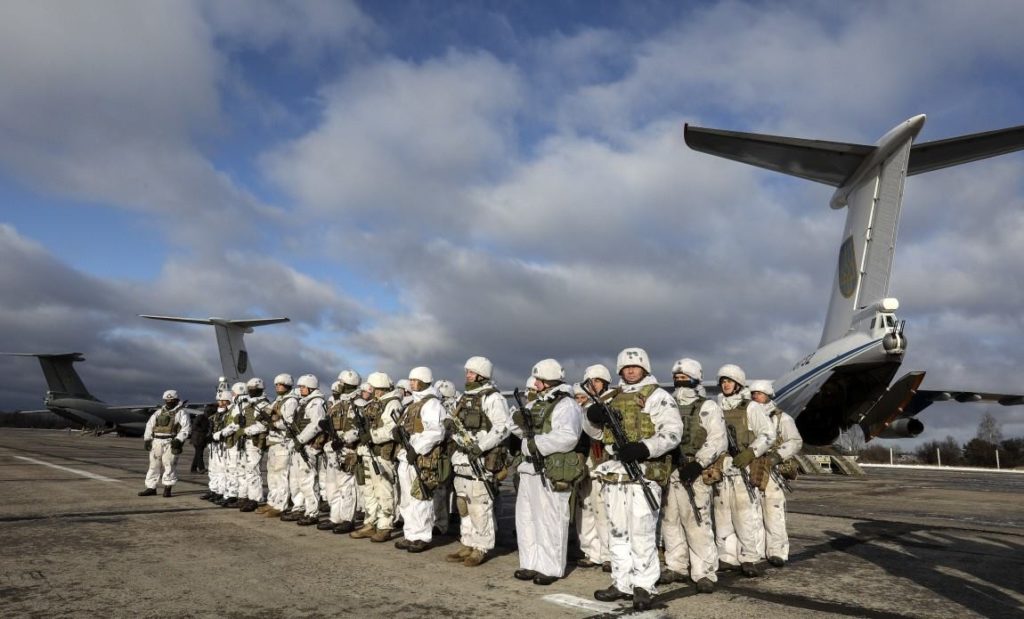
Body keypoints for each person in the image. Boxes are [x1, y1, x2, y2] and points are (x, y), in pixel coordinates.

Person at [583, 348, 682, 611]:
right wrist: (592, 417)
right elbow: (595, 432)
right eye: (626, 367)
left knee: (641, 532)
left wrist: (645, 448)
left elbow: (673, 433)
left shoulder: (658, 396)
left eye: (635, 366)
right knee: (617, 532)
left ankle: (644, 586)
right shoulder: (610, 397)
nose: (630, 370)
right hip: (615, 474)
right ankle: (621, 582)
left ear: (645, 368)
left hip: (644, 474)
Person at [511, 359, 583, 586]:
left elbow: (568, 436)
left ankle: (550, 567)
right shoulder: (538, 403)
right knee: (527, 519)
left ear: (548, 381)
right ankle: (530, 562)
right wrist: (517, 421)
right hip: (529, 469)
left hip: (550, 469)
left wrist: (537, 443)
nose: (536, 383)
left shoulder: (566, 405)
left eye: (539, 380)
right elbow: (518, 428)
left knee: (550, 519)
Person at [659, 358, 726, 593]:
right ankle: (676, 565)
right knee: (670, 521)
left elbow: (717, 439)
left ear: (695, 378)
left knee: (698, 521)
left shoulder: (707, 406)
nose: (680, 381)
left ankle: (704, 571)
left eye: (684, 377)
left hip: (693, 472)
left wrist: (698, 464)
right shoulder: (666, 405)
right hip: (670, 469)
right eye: (676, 377)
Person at [444, 356, 511, 567]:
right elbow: (455, 425)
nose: (467, 375)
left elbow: (502, 427)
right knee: (463, 504)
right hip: (462, 459)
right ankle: (468, 542)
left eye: (471, 372)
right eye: (467, 372)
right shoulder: (463, 398)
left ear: (482, 374)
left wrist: (480, 446)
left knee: (480, 506)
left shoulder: (492, 398)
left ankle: (481, 547)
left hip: (480, 461)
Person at [712, 364, 774, 577]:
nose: (725, 384)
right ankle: (726, 557)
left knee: (744, 515)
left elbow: (767, 434)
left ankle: (749, 557)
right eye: (723, 381)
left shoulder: (751, 408)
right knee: (721, 514)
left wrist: (750, 453)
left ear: (738, 384)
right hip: (722, 466)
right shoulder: (716, 406)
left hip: (743, 467)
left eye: (729, 381)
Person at [748, 379, 802, 568]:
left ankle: (777, 551)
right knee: (753, 511)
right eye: (753, 393)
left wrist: (777, 456)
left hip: (773, 470)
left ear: (769, 396)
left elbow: (795, 441)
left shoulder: (782, 418)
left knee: (773, 511)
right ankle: (756, 550)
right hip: (752, 467)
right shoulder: (748, 416)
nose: (755, 397)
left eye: (759, 394)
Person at [393, 367, 449, 553]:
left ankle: (422, 536)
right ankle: (410, 534)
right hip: (406, 458)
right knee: (407, 499)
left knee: (421, 498)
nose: (411, 383)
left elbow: (436, 432)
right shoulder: (412, 405)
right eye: (411, 380)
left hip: (422, 459)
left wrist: (416, 450)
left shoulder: (432, 404)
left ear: (424, 381)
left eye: (415, 380)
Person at [350, 372, 401, 543]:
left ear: (380, 388)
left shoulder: (392, 403)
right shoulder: (374, 404)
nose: (371, 390)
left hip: (382, 454)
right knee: (369, 492)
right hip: (367, 452)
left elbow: (391, 430)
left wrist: (371, 436)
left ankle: (385, 526)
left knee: (383, 490)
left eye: (374, 387)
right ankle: (370, 523)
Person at [575, 364, 613, 572]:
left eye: (597, 381)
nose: (593, 386)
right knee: (586, 511)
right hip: (585, 467)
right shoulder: (582, 408)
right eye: (590, 383)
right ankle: (591, 551)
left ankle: (608, 554)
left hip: (603, 466)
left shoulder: (609, 404)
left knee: (604, 513)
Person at [319, 370, 362, 534]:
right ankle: (334, 517)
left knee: (346, 487)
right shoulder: (338, 404)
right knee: (332, 487)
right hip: (333, 450)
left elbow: (358, 428)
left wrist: (342, 440)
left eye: (341, 382)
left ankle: (347, 519)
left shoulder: (358, 404)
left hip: (347, 450)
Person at [289, 374, 327, 526]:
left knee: (309, 480)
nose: (300, 389)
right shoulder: (305, 403)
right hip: (302, 445)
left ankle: (312, 513)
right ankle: (302, 508)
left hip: (310, 446)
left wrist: (301, 440)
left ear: (311, 387)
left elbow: (316, 424)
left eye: (303, 387)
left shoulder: (316, 403)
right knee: (300, 480)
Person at [139, 390, 192, 497]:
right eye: (167, 400)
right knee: (154, 465)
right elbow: (149, 425)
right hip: (156, 442)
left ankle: (168, 487)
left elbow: (186, 428)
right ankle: (151, 487)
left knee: (169, 465)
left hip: (170, 441)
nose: (169, 402)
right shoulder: (158, 412)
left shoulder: (181, 413)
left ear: (176, 400)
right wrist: (147, 439)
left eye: (171, 400)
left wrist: (179, 440)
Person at [258, 374, 298, 518]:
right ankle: (272, 501)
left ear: (287, 385)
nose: (277, 387)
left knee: (281, 475)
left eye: (280, 384)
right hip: (273, 442)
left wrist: (273, 423)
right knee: (272, 475)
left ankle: (280, 504)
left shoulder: (291, 401)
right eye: (276, 384)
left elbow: (289, 423)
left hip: (283, 442)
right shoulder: (277, 401)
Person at [237, 377, 271, 512]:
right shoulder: (249, 404)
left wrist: (245, 430)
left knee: (253, 470)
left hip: (256, 441)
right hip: (247, 439)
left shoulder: (264, 405)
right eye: (249, 389)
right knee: (246, 470)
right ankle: (246, 496)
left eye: (253, 389)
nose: (251, 391)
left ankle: (255, 499)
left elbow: (264, 425)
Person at [200, 392, 233, 502]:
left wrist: (216, 436)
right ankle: (214, 489)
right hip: (214, 445)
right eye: (219, 401)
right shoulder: (214, 416)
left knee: (222, 470)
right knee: (213, 469)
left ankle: (222, 491)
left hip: (223, 444)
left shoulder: (229, 415)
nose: (221, 403)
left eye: (224, 401)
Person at [190, 403, 212, 474]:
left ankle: (193, 468)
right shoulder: (201, 417)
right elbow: (194, 426)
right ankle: (201, 468)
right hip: (197, 438)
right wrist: (204, 430)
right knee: (199, 454)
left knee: (197, 454)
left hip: (201, 439)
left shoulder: (207, 419)